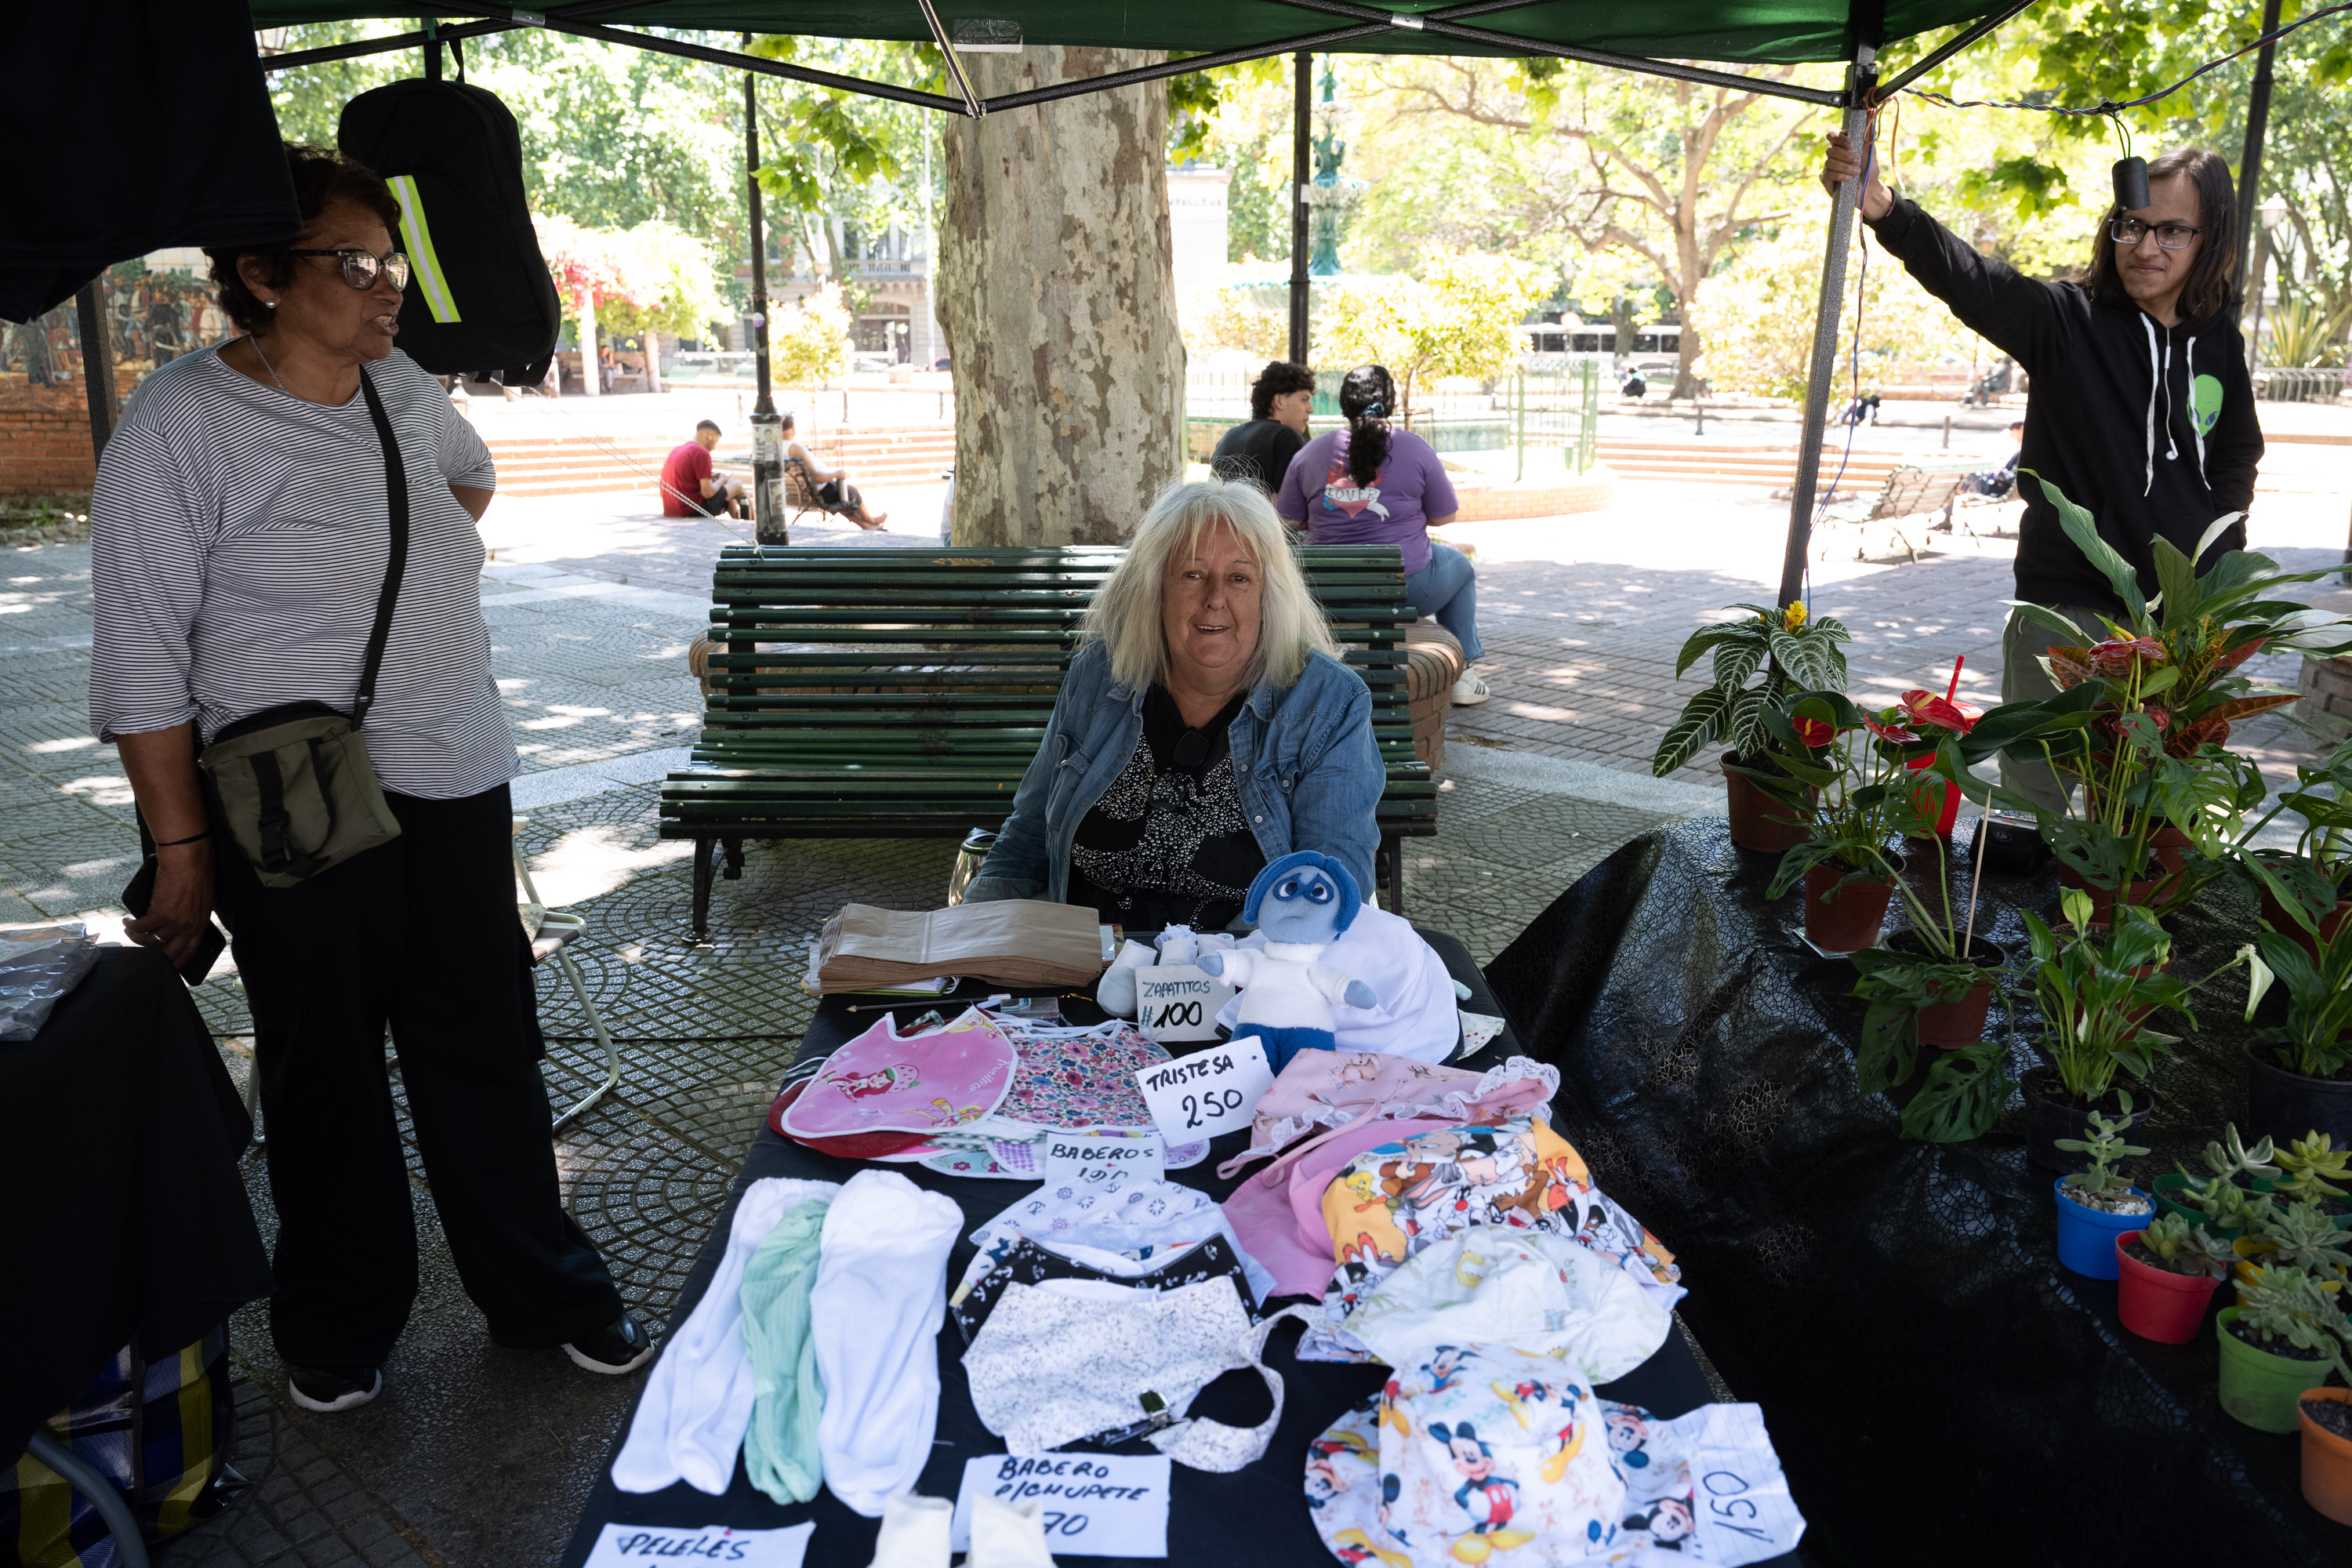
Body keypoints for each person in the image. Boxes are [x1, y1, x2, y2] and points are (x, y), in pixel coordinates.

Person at [88, 143, 649, 1416]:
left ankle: (541, 1290)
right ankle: (339, 1321)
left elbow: (468, 478)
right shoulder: (184, 427)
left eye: (391, 261)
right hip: (296, 802)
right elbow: (141, 665)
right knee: (324, 1066)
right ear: (263, 275)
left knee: (486, 1054)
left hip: (454, 772)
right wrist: (180, 854)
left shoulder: (398, 382)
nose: (388, 287)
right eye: (355, 262)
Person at [1821, 132, 2262, 811]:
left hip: (2176, 625)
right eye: (2133, 226)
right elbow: (1973, 280)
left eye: (2173, 230)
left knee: (2145, 815)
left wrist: (2216, 553)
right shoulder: (2067, 320)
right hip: (2066, 612)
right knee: (2038, 803)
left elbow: (2236, 450)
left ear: (2210, 239)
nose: (2146, 248)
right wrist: (1884, 207)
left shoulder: (2218, 341)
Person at [962, 477, 1385, 926]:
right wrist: (961, 942)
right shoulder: (1100, 676)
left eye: (1239, 578)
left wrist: (1205, 977)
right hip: (1085, 969)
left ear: (1268, 596)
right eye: (1192, 574)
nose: (1215, 599)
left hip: (1243, 975)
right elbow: (1025, 839)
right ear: (1155, 589)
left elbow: (1330, 890)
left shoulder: (1327, 703)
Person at [1276, 365, 1490, 708]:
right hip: (1407, 589)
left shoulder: (1311, 452)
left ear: (1345, 405)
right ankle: (1463, 675)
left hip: (1326, 593)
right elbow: (1445, 515)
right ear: (1389, 403)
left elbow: (1288, 520)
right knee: (1461, 567)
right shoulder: (1415, 448)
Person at [1210, 360, 1316, 492]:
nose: (1310, 409)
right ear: (1279, 401)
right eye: (1304, 399)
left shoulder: (1231, 435)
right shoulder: (1286, 437)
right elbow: (1283, 507)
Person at [782, 412, 887, 529]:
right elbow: (817, 477)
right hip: (820, 492)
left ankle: (867, 525)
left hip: (803, 494)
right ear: (792, 427)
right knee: (850, 492)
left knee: (843, 495)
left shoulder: (779, 448)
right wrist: (836, 474)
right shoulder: (795, 448)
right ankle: (871, 520)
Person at [660, 419, 748, 519]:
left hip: (672, 509)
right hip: (691, 510)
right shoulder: (701, 452)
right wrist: (723, 479)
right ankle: (755, 523)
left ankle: (737, 523)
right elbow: (707, 493)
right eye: (716, 441)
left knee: (729, 492)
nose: (715, 446)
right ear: (709, 435)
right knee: (737, 486)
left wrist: (711, 478)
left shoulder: (678, 449)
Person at [1962, 419, 2029, 498]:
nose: (2011, 435)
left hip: (1996, 488)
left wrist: (1999, 470)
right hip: (1996, 484)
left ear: (2021, 429)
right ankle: (1954, 496)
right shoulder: (2020, 448)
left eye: (2012, 432)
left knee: (1970, 475)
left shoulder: (2022, 451)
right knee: (1969, 478)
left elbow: (2012, 476)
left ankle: (1953, 497)